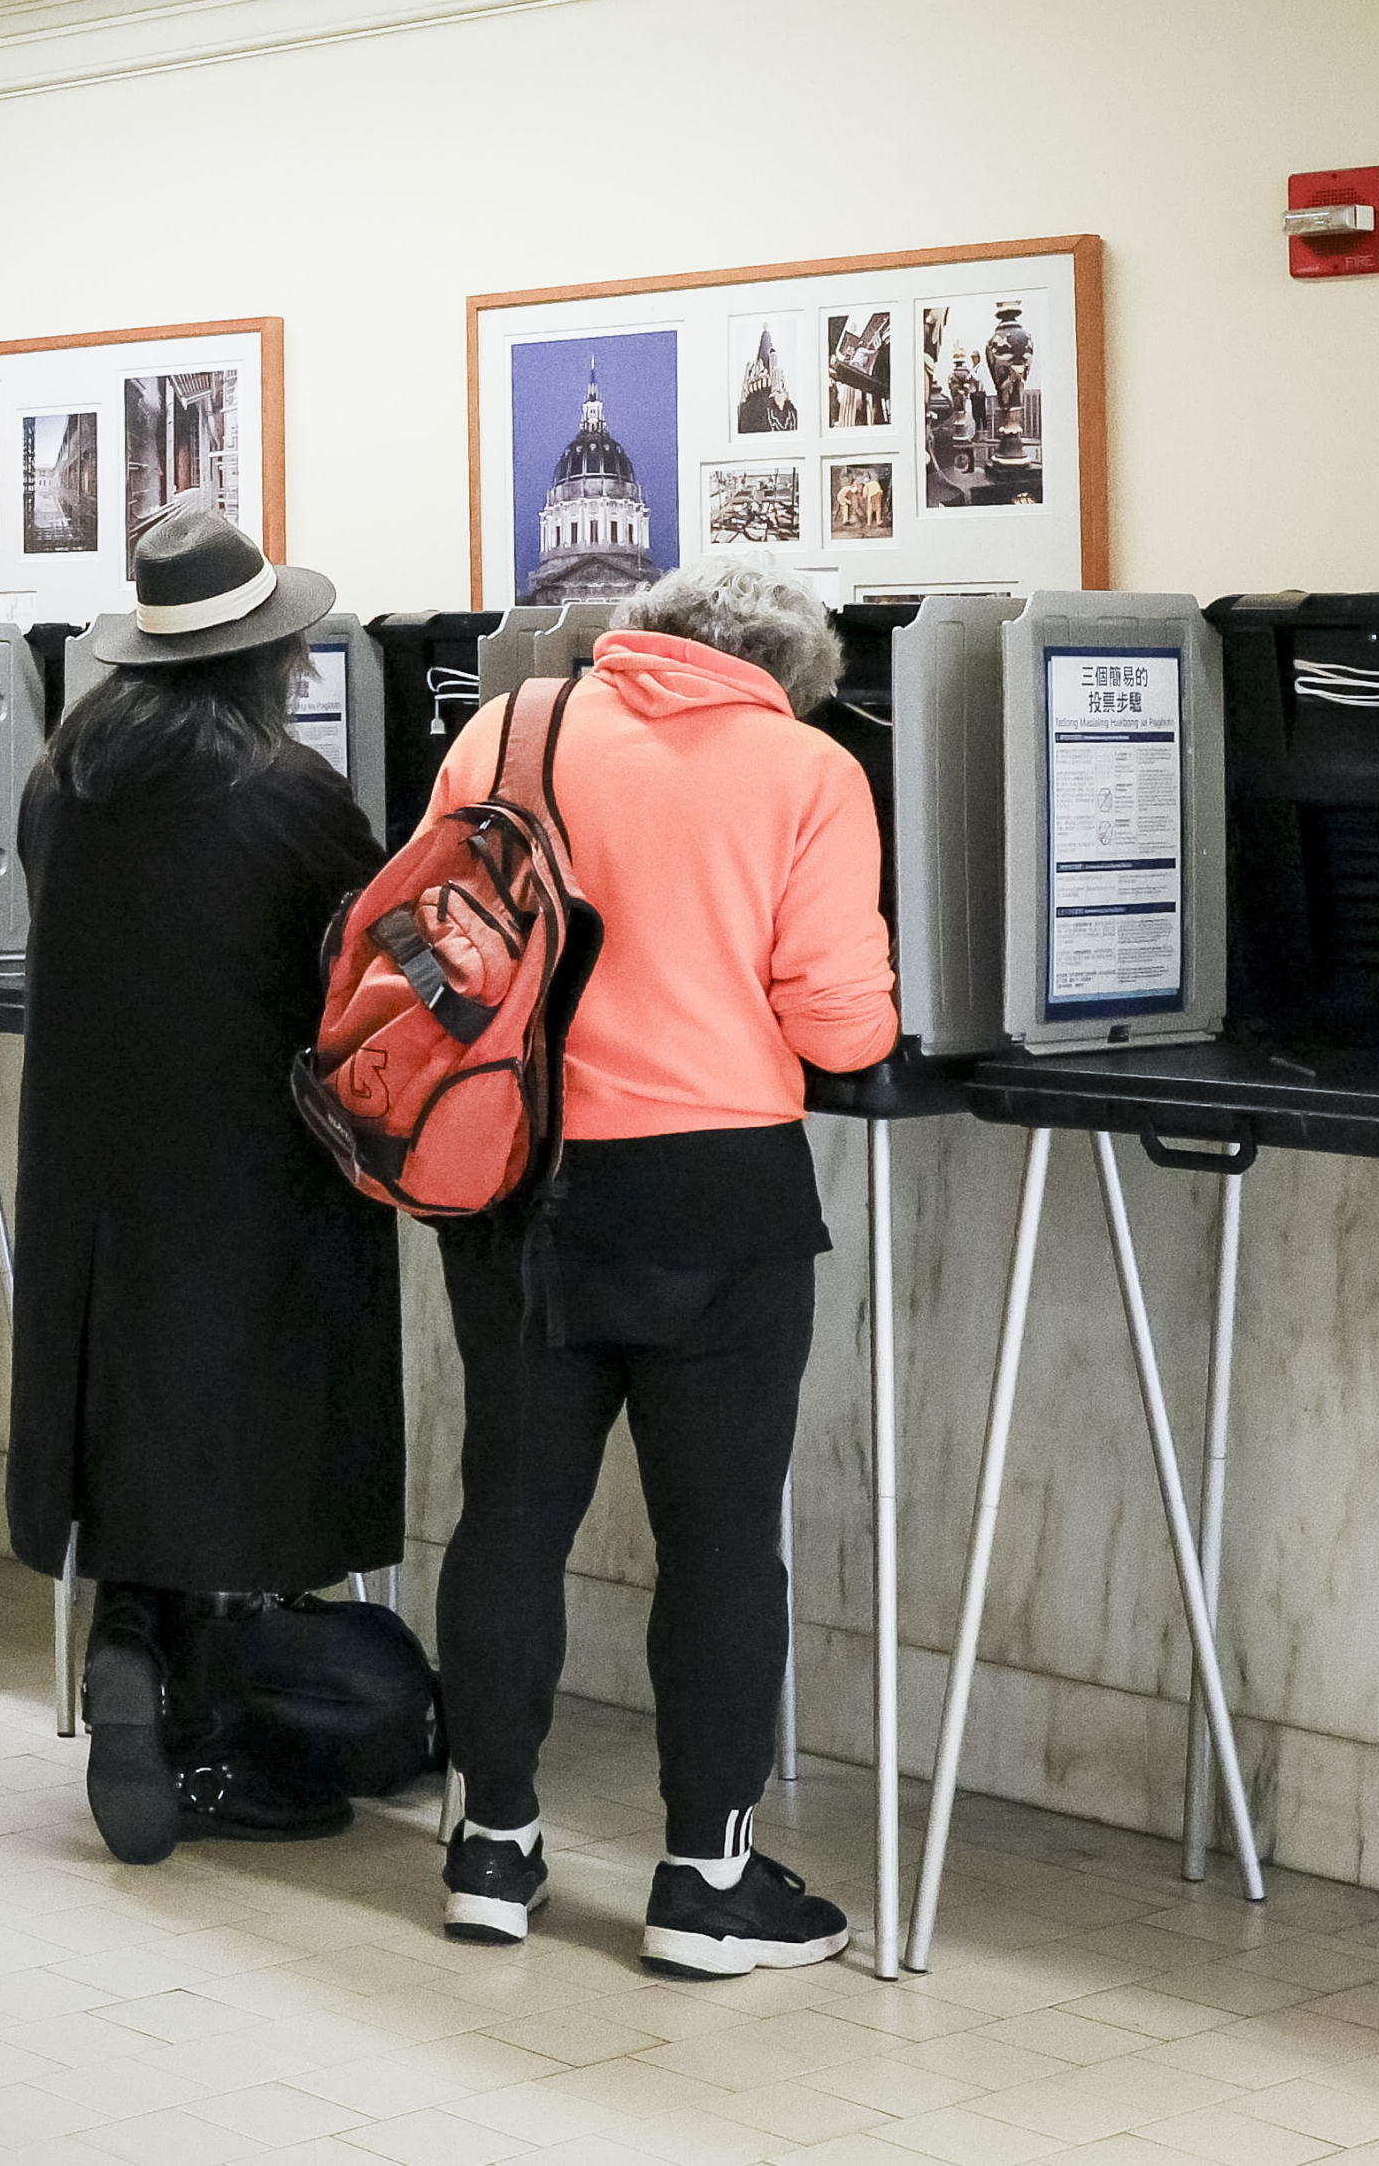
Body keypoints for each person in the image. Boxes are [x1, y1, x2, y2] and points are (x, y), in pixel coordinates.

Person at [424, 554, 894, 1974]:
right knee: (718, 1541)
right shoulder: (805, 771)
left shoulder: (508, 728)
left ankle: (490, 1849)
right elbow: (843, 1027)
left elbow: (441, 941)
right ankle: (705, 1880)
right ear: (787, 670)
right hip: (714, 1200)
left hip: (516, 1175)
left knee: (509, 1513)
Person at [7, 503, 391, 1861]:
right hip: (253, 1169)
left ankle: (125, 1641)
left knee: (127, 1412)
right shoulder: (292, 794)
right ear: (264, 658)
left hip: (93, 1175)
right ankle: (223, 1732)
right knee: (250, 1432)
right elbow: (357, 974)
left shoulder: (59, 780)